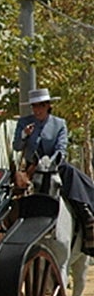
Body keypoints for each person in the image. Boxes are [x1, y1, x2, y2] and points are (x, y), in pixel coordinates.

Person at [12, 88, 94, 247]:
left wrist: (53, 161)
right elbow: (16, 146)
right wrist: (24, 135)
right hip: (32, 167)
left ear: (48, 106)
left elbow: (61, 147)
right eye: (34, 106)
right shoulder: (24, 122)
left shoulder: (59, 123)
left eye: (41, 105)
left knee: (72, 175)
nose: (37, 110)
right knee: (14, 185)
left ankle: (85, 214)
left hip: (55, 164)